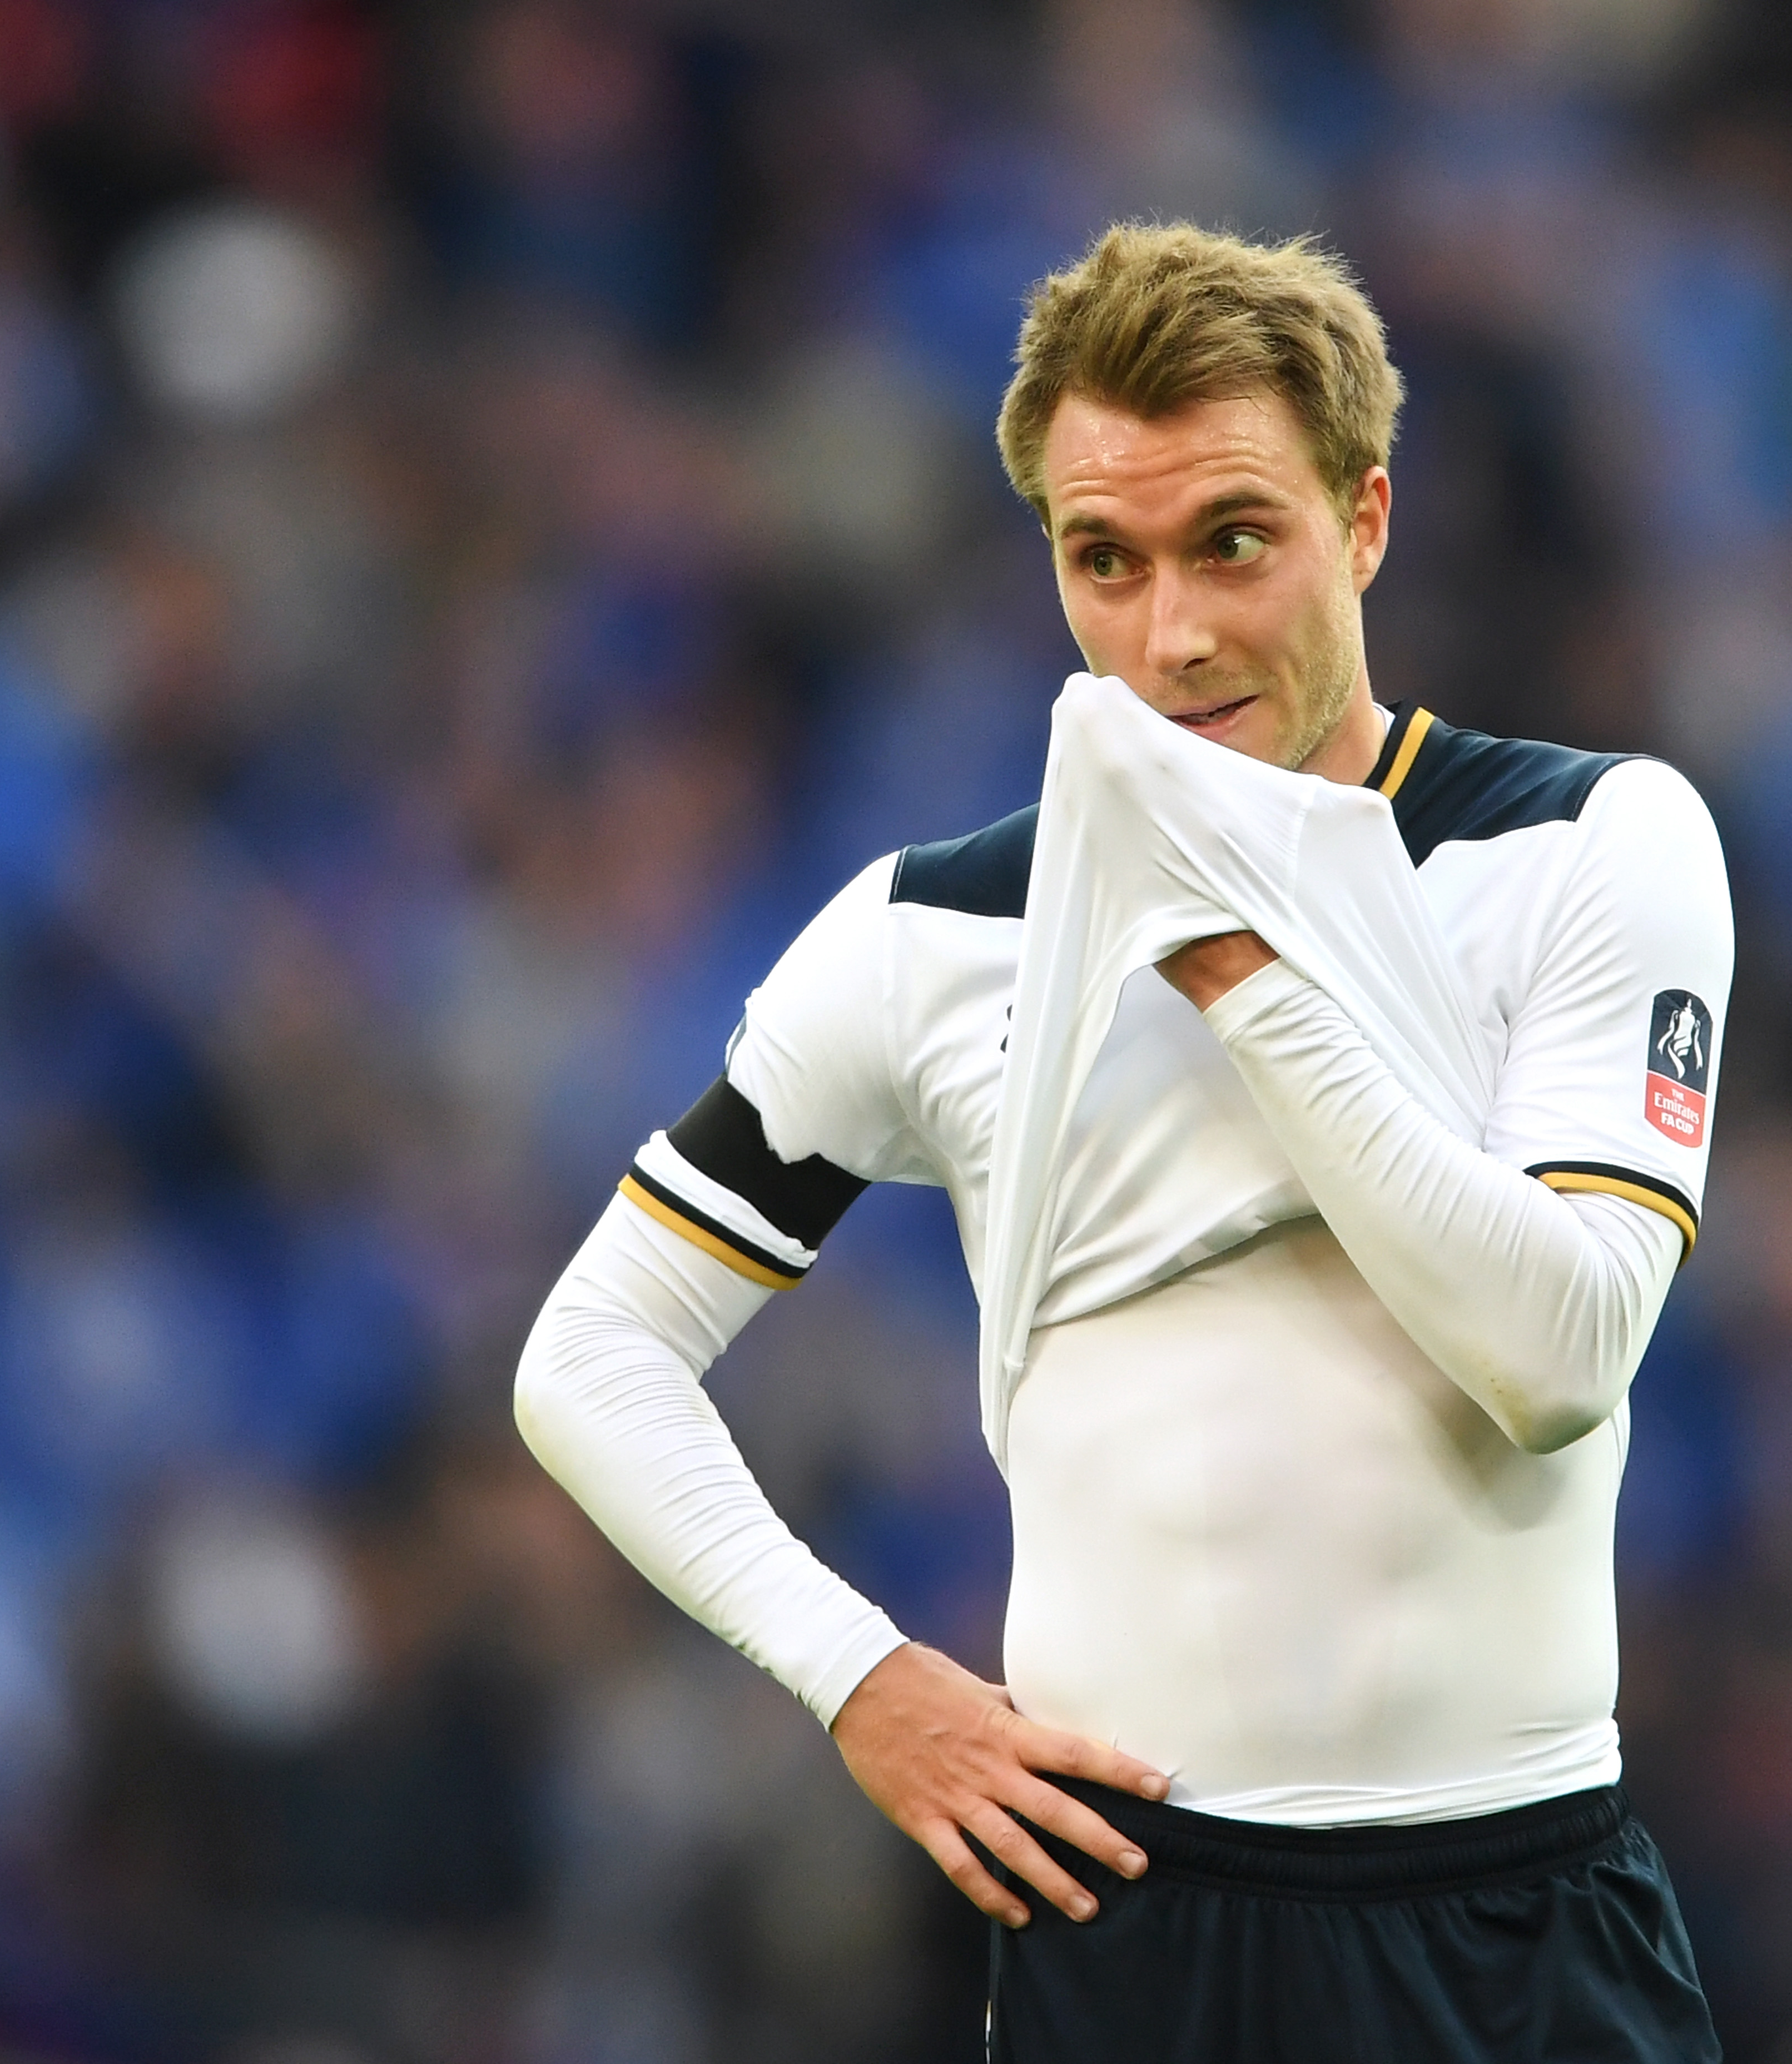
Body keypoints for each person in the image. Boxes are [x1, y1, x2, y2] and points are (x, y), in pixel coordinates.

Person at [514, 222, 1729, 2062]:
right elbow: (593, 1354)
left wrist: (1228, 946)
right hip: (1131, 1934)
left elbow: (1558, 1357)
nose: (1176, 631)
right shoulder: (934, 935)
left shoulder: (1588, 846)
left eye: (1236, 538)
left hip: (1516, 1923)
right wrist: (864, 1683)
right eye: (1108, 560)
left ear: (1366, 520)